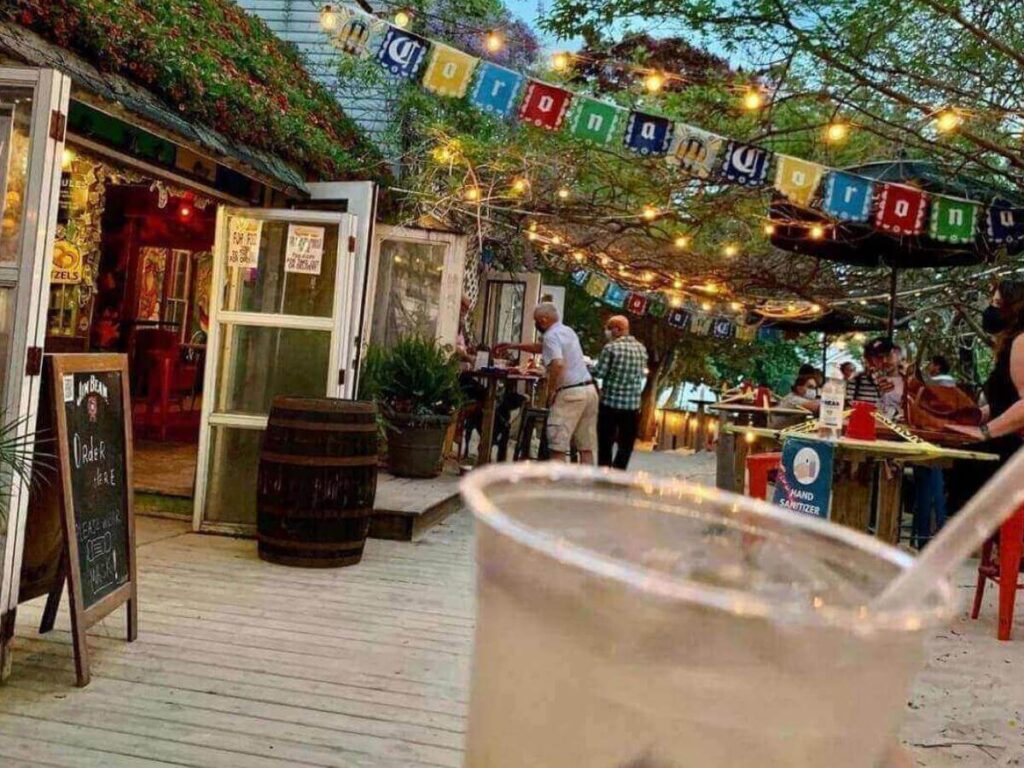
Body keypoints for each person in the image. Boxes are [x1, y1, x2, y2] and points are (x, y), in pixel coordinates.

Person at [947, 281, 1024, 495]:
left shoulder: (1022, 340)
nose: (991, 310)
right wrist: (972, 417)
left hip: (1013, 451)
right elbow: (1006, 401)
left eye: (998, 303)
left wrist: (984, 432)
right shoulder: (1010, 343)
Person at [496, 303, 598, 464]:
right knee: (585, 447)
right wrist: (514, 345)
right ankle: (585, 486)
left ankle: (555, 485)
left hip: (570, 394)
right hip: (589, 391)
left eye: (536, 321)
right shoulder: (567, 331)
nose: (536, 325)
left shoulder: (551, 336)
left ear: (543, 320)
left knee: (557, 445)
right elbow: (540, 347)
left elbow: (557, 364)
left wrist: (552, 390)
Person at [591, 315, 647, 469]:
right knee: (626, 445)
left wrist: (588, 366)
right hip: (632, 406)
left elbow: (600, 372)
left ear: (617, 329)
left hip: (610, 403)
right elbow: (641, 374)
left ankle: (604, 474)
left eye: (609, 329)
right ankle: (618, 473)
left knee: (605, 442)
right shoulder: (641, 349)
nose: (608, 333)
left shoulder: (611, 348)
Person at [846, 337, 904, 420]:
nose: (884, 360)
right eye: (878, 357)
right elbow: (847, 411)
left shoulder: (910, 383)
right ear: (871, 359)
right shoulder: (857, 381)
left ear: (897, 353)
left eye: (888, 355)